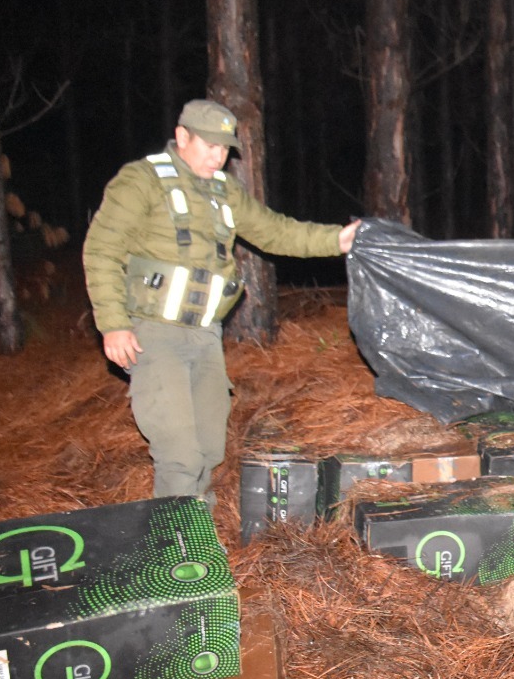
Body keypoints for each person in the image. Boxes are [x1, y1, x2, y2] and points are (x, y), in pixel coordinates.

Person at [83, 98, 359, 508]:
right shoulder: (140, 181)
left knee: (209, 445)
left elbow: (273, 232)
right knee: (178, 450)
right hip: (153, 334)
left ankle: (200, 532)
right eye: (209, 146)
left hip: (205, 337)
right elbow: (101, 251)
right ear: (182, 137)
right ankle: (175, 550)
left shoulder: (224, 192)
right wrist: (112, 324)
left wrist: (336, 240)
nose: (218, 156)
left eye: (225, 149)